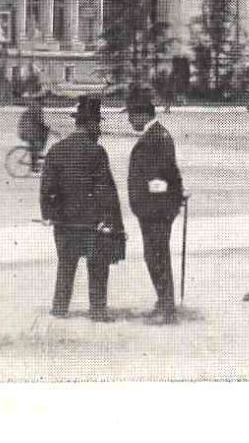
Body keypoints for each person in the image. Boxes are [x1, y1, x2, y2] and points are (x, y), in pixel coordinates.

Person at [40, 95, 125, 322]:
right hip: (91, 224)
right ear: (90, 124)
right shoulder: (96, 152)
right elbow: (105, 191)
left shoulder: (56, 149)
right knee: (97, 267)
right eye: (97, 124)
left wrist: (51, 215)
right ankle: (97, 310)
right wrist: (112, 222)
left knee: (66, 266)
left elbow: (47, 188)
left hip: (65, 224)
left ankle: (59, 308)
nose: (99, 129)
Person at [126, 94, 184, 324]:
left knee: (157, 256)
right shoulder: (156, 134)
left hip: (155, 212)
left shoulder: (155, 137)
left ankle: (167, 308)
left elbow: (162, 176)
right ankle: (163, 301)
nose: (130, 121)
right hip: (154, 210)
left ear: (142, 115)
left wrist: (163, 202)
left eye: (131, 116)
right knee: (155, 256)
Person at [17, 94, 50, 171]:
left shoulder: (32, 107)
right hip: (30, 132)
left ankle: (35, 161)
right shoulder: (37, 108)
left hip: (25, 131)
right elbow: (39, 121)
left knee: (35, 147)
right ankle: (35, 163)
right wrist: (46, 128)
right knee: (38, 143)